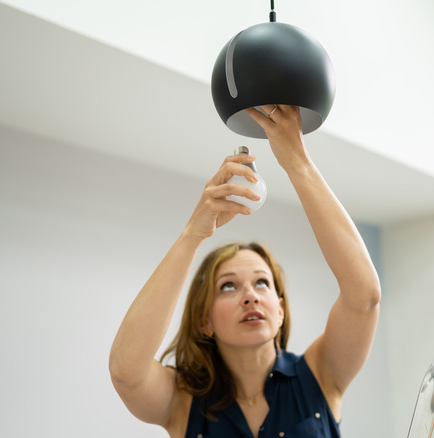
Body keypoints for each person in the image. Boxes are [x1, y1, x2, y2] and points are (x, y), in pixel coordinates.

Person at [109, 105, 381, 437]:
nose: (250, 296)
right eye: (228, 287)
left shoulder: (320, 375)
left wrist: (297, 161)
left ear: (280, 310)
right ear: (204, 320)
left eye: (262, 283)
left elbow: (363, 296)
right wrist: (193, 234)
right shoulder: (182, 402)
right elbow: (126, 371)